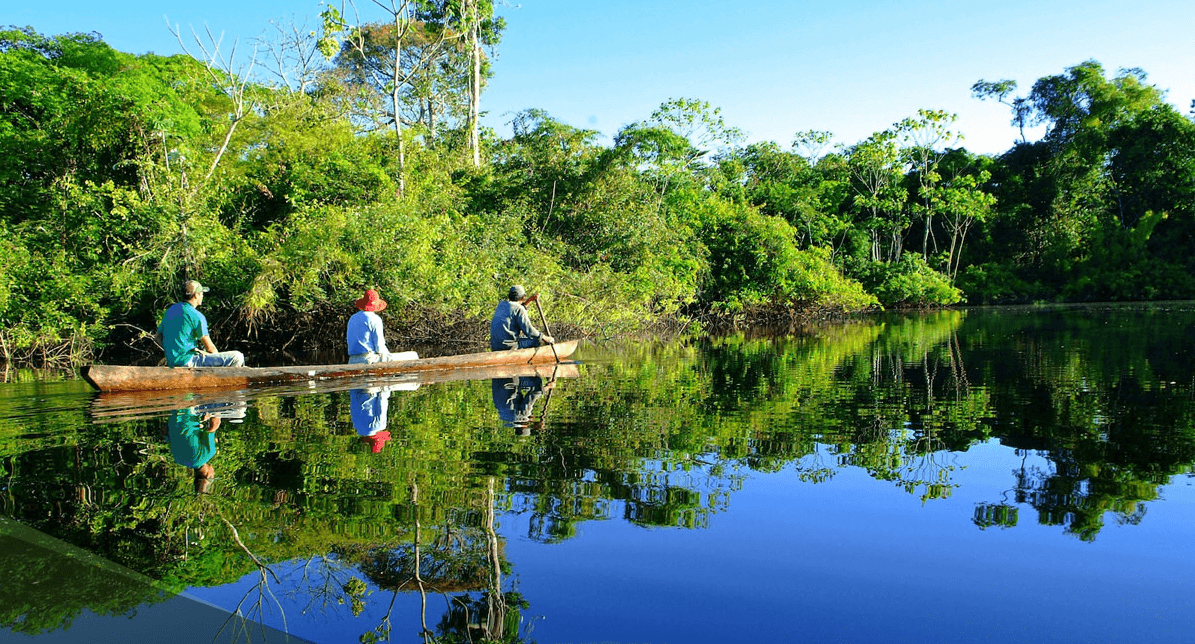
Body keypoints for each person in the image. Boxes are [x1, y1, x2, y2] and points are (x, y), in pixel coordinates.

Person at [155, 280, 245, 367]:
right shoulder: (196, 316)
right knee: (237, 356)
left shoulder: (170, 311)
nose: (202, 296)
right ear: (195, 295)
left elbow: (158, 338)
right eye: (201, 293)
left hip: (172, 362)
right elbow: (210, 348)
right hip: (189, 361)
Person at [347, 289, 418, 364]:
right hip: (369, 360)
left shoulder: (352, 318)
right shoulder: (374, 319)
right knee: (413, 355)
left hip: (352, 360)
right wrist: (388, 357)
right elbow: (380, 348)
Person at [167, 406, 220, 494]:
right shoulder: (178, 459)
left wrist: (218, 413)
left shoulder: (208, 453)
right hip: (173, 414)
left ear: (208, 475)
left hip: (189, 412)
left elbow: (214, 424)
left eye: (213, 475)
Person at [490, 285, 555, 351]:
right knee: (537, 340)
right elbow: (529, 331)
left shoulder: (502, 304)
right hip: (509, 347)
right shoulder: (519, 309)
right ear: (523, 297)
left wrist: (529, 300)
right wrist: (545, 338)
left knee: (526, 338)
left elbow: (515, 310)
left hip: (495, 346)